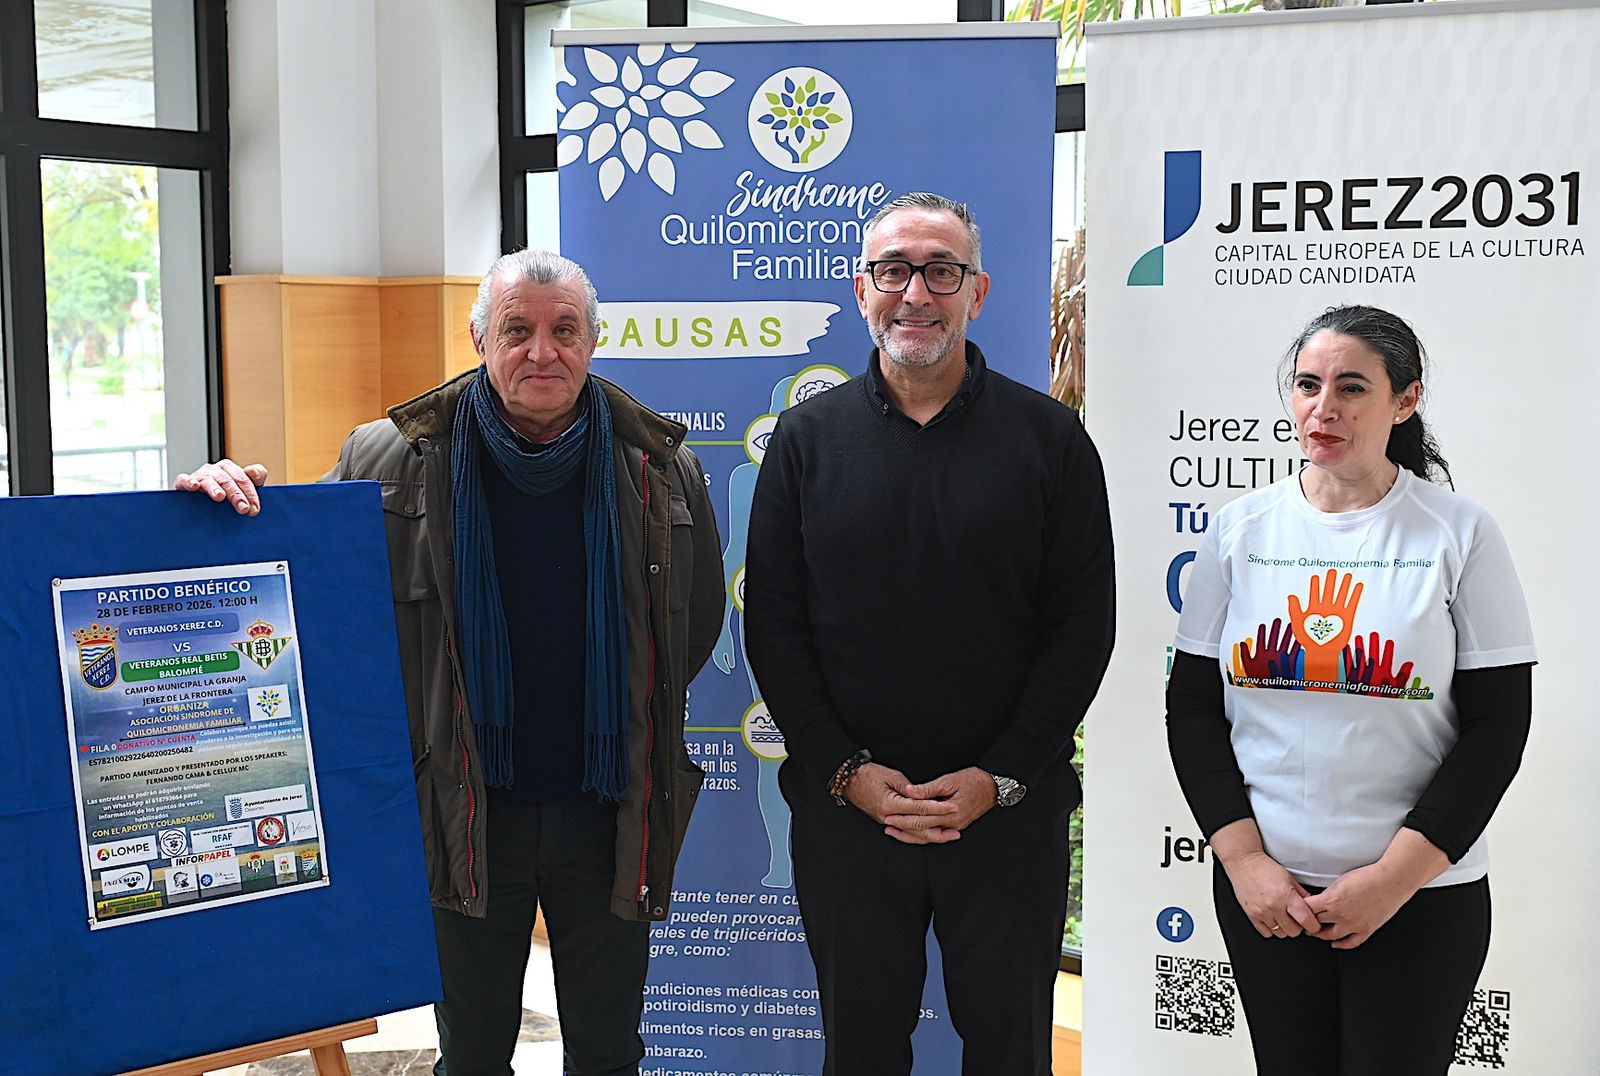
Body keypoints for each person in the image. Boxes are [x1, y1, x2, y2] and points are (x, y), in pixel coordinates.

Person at [176, 249, 725, 1076]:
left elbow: (697, 621)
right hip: (463, 808)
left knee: (611, 1054)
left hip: (611, 810)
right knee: (469, 1055)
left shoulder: (663, 467)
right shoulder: (385, 459)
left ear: (592, 342)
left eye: (564, 330)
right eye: (517, 330)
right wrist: (219, 500)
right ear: (478, 339)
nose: (542, 351)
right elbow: (294, 575)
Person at [743, 192, 1115, 1075]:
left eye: (940, 271)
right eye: (894, 271)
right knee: (863, 1050)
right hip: (848, 814)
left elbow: (1082, 626)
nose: (916, 292)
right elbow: (775, 624)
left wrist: (1003, 776)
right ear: (862, 288)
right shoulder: (804, 441)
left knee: (1011, 1050)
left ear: (977, 292)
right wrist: (844, 771)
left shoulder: (1051, 440)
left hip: (1006, 816)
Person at [1165, 305, 1536, 1075]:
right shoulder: (1241, 531)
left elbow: (1498, 728)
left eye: (1352, 387)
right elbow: (1193, 710)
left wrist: (1390, 882)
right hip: (1270, 897)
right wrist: (1244, 864)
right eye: (1307, 384)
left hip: (1419, 899)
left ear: (1405, 401)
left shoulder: (1457, 533)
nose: (1322, 407)